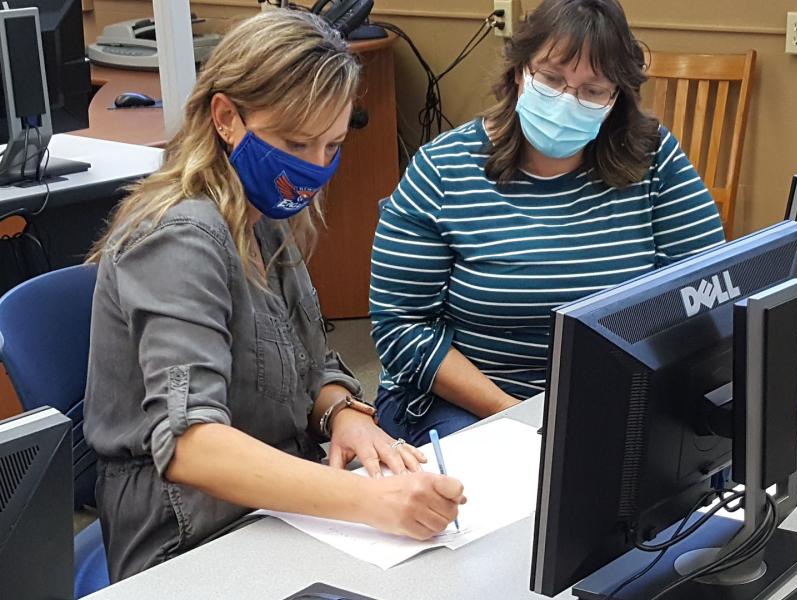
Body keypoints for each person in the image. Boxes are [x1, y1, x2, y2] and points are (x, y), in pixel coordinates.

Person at [83, 11, 464, 582]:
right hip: (187, 531)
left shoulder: (261, 214)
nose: (313, 167)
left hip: (277, 501)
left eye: (332, 144)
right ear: (226, 117)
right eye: (295, 141)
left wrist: (342, 414)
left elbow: (305, 363)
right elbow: (192, 445)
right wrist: (372, 502)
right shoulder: (179, 238)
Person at [370, 0, 726, 446]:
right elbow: (400, 326)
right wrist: (521, 418)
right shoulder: (443, 169)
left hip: (611, 395)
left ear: (616, 97)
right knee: (516, 492)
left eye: (592, 90)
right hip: (466, 401)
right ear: (520, 73)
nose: (566, 101)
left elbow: (708, 289)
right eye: (551, 79)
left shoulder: (653, 158)